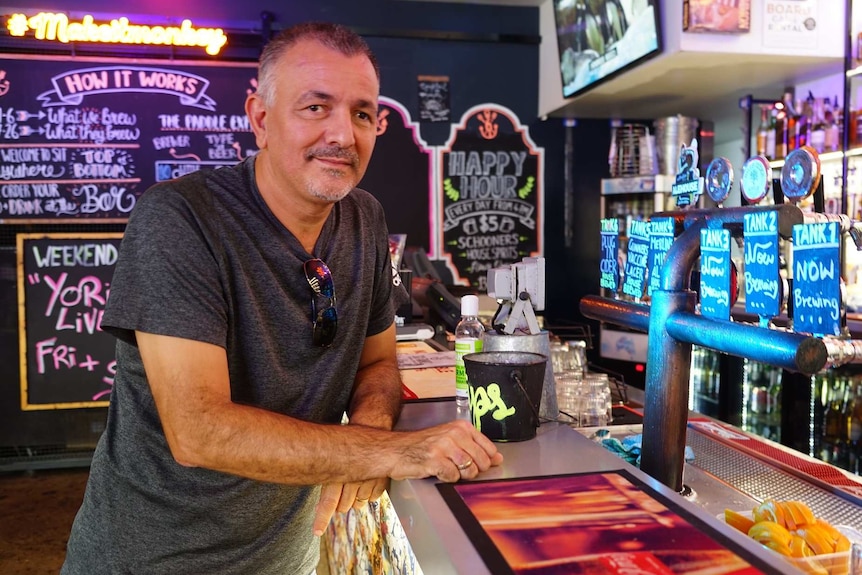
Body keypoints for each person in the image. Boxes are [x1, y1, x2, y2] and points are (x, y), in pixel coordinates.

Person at [62, 21, 502, 575]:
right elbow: (199, 430)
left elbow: (378, 361)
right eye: (316, 107)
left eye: (363, 114)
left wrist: (369, 432)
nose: (344, 134)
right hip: (152, 558)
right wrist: (395, 451)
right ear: (261, 120)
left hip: (286, 555)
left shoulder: (364, 219)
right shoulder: (180, 218)